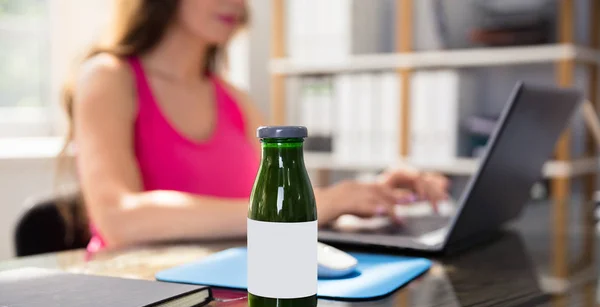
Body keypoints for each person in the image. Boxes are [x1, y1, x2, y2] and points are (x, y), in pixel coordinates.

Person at [64, 0, 449, 252]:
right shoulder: (108, 78)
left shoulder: (233, 98)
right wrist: (322, 205)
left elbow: (275, 204)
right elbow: (118, 219)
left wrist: (371, 197)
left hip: (228, 302)